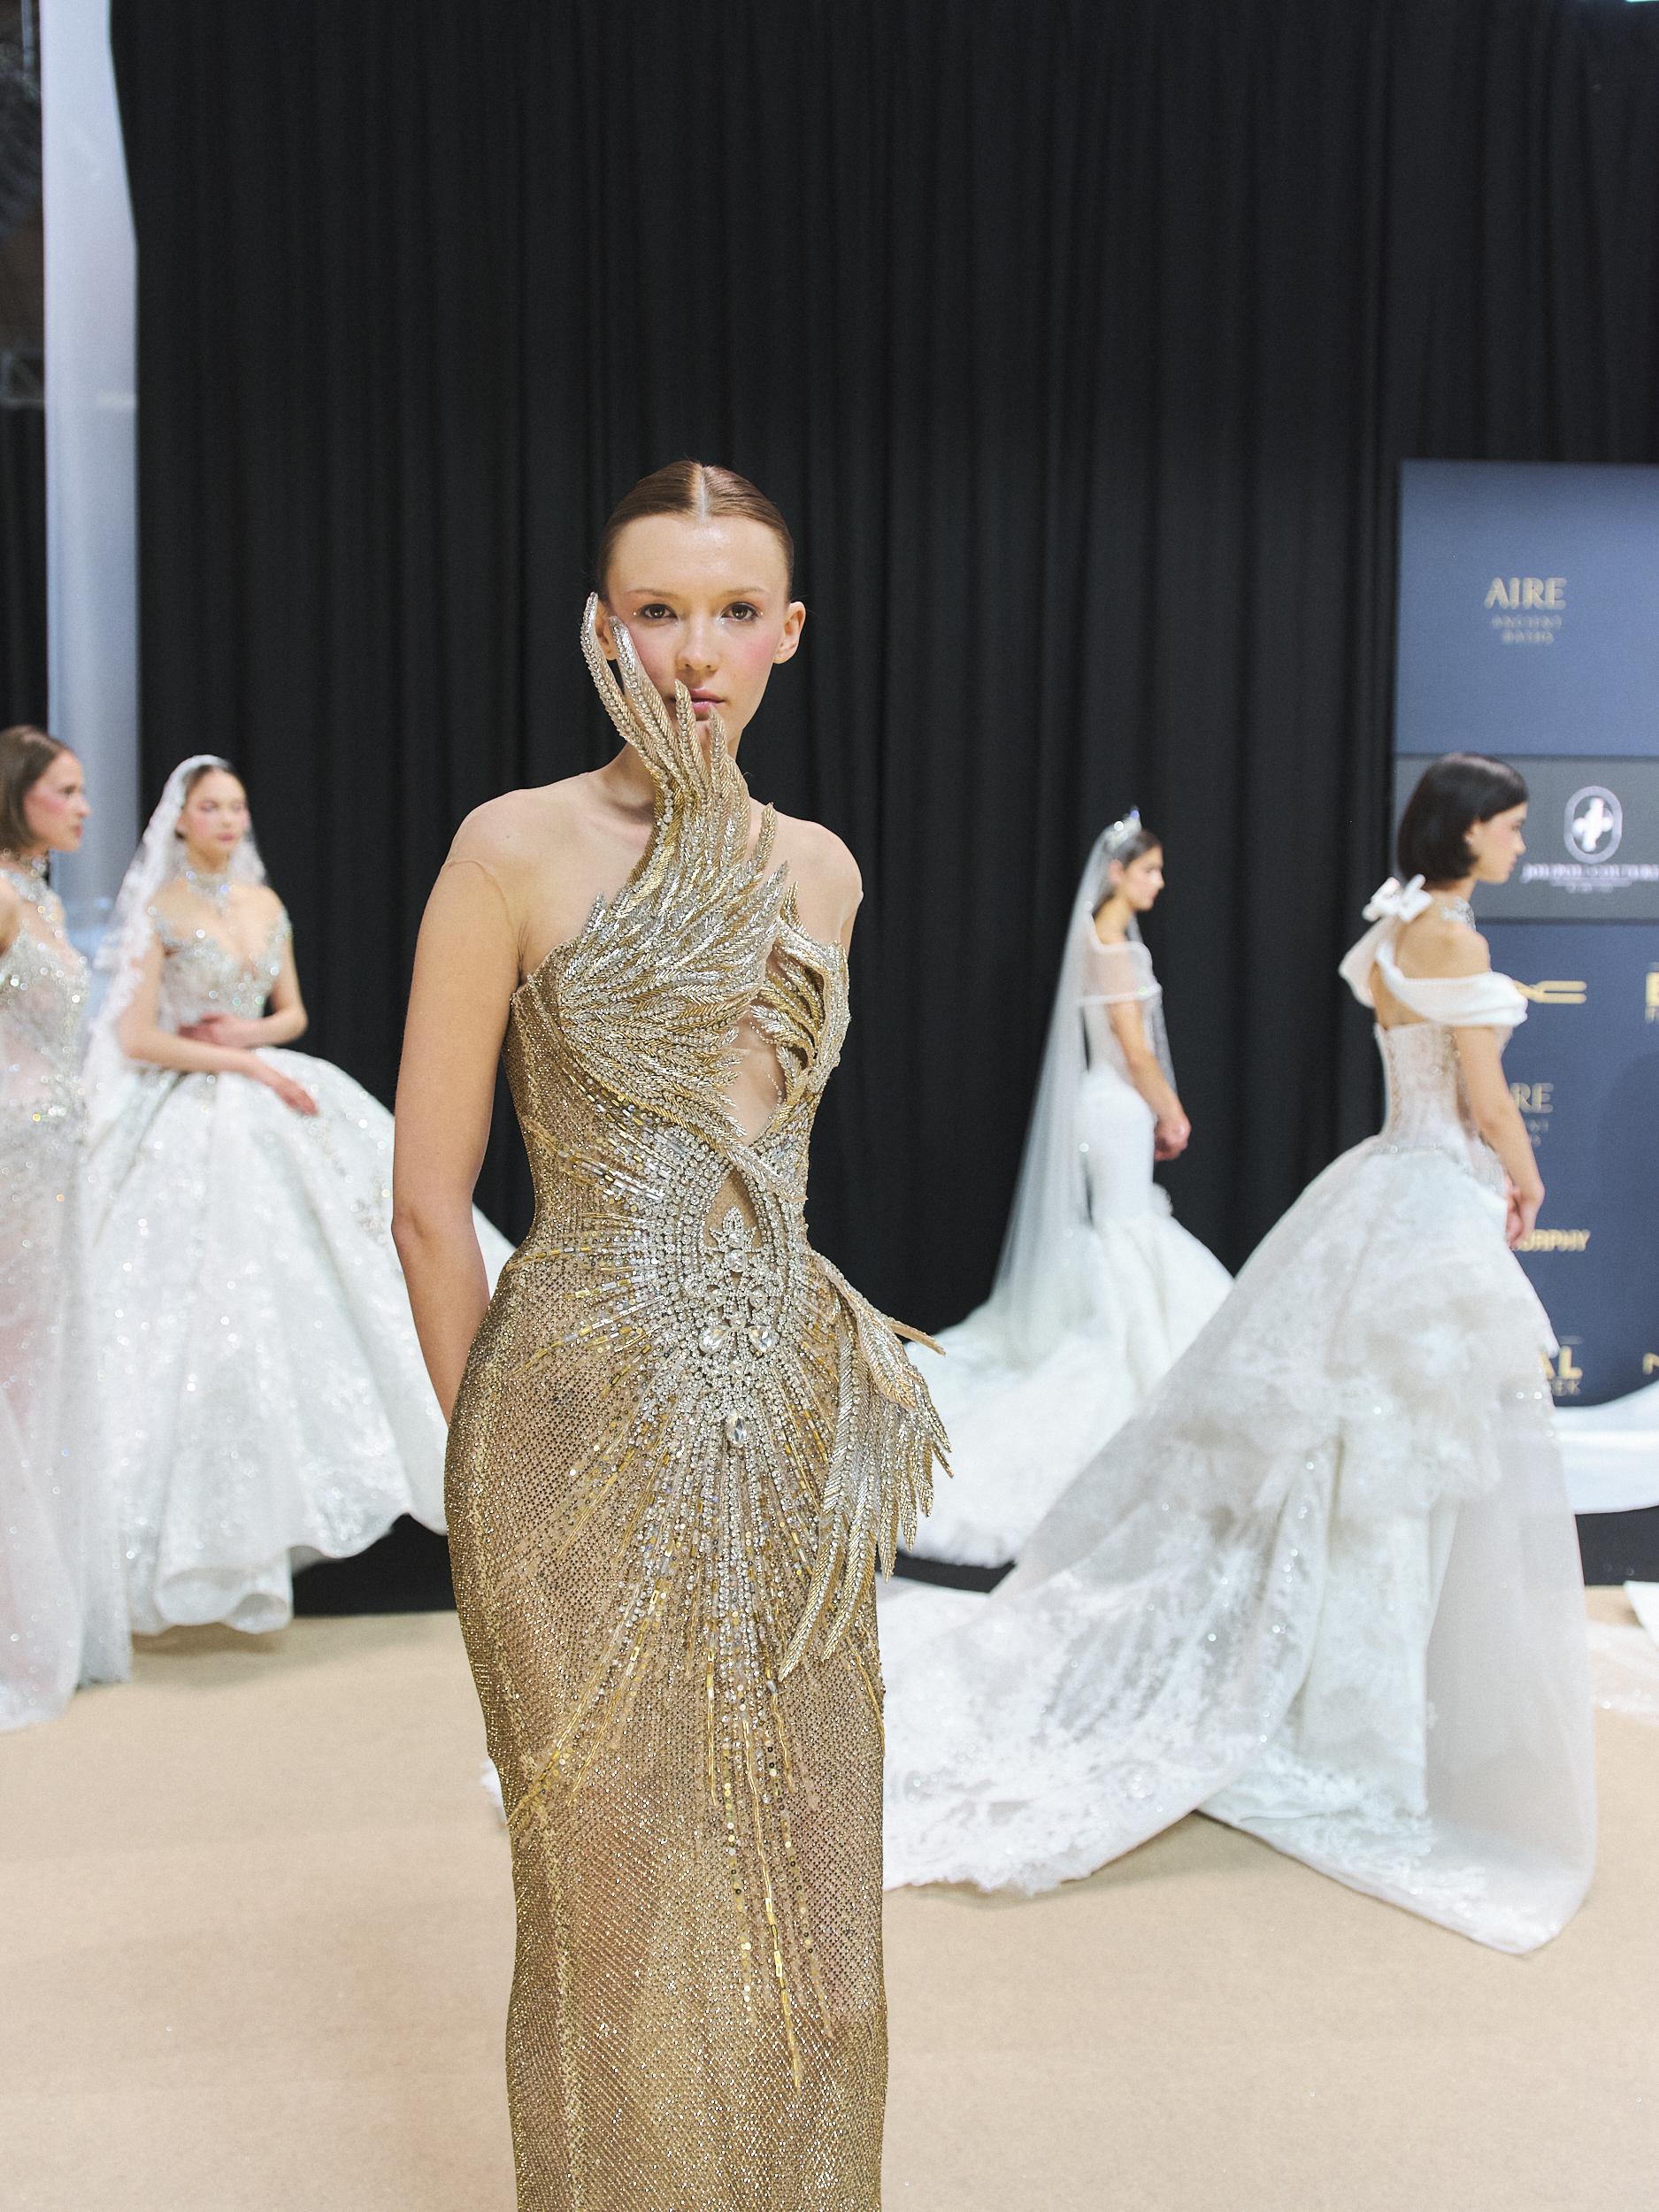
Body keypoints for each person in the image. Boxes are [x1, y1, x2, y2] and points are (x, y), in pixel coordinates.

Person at [394, 462, 946, 2207]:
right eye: (656, 609)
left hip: (787, 1415)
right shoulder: (513, 848)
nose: (695, 652)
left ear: (789, 632)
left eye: (732, 611)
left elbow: (770, 1155)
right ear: (602, 625)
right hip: (570, 1421)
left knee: (814, 1899)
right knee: (605, 1895)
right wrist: (487, 1480)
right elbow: (427, 1203)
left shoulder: (822, 868)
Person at [882, 753, 1594, 1954]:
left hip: (1384, 1180)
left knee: (1356, 1437)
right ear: (1467, 832)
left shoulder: (1395, 929)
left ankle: (1371, 1685)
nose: (1521, 844)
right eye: (1511, 827)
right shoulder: (1450, 938)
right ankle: (1382, 1706)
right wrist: (1523, 1179)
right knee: (1393, 1443)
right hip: (1432, 1188)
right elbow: (1482, 1098)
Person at [81, 756, 511, 1636]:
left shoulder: (264, 904)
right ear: (180, 819)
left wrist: (255, 1038)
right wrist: (241, 1061)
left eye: (237, 806)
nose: (228, 819)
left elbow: (293, 1013)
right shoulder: (161, 911)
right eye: (212, 806)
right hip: (198, 1096)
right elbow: (134, 1036)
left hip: (273, 1079)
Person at [913, 810, 1230, 1565]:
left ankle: (1127, 1342)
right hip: (1118, 1104)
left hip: (1106, 1103)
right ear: (1117, 872)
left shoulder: (1097, 939)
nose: (1158, 883)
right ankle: (1123, 1352)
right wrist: (1170, 1109)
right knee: (1125, 1232)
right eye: (1149, 870)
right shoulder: (1113, 946)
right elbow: (1132, 1047)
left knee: (1126, 1229)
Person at [0, 727, 129, 1727]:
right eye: (69, 791)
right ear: (21, 796)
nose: (85, 807)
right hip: (10, 1150)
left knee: (39, 1364)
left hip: (51, 1157)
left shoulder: (38, 897)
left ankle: (39, 1605)